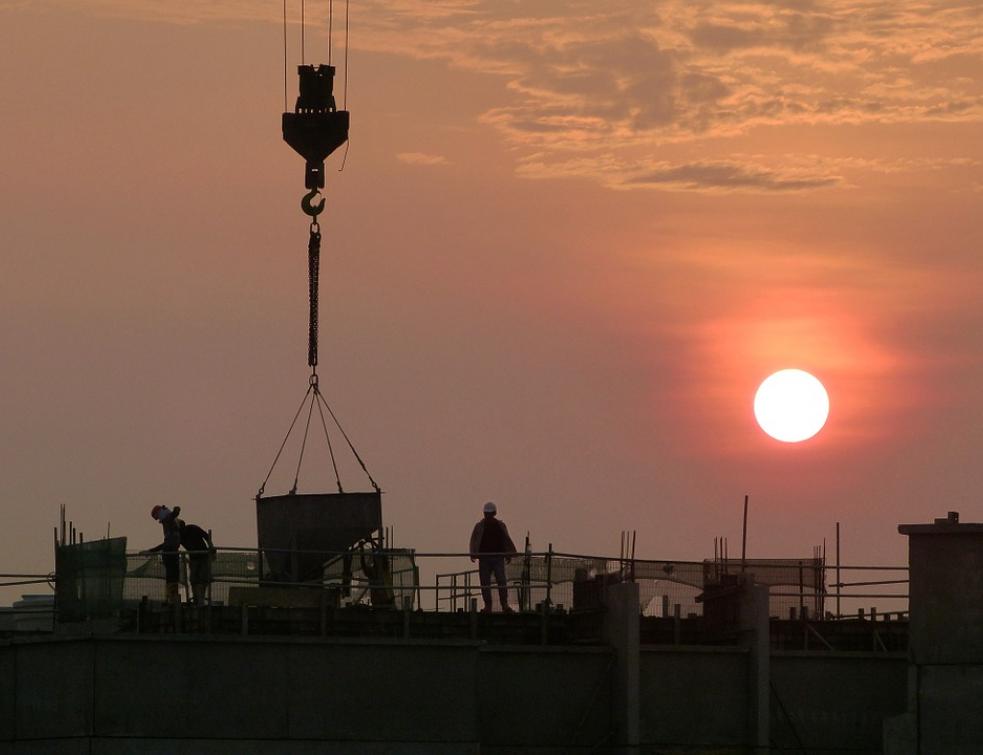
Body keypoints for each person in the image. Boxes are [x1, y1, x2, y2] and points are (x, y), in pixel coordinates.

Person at [469, 501, 517, 613]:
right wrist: (473, 553)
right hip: (484, 558)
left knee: (501, 581)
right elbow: (474, 540)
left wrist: (508, 554)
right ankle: (488, 606)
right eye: (487, 514)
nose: (488, 516)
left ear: (494, 514)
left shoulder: (500, 525)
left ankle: (504, 604)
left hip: (498, 557)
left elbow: (505, 540)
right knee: (485, 582)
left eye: (489, 514)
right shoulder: (479, 526)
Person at [146, 504, 181, 606]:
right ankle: (171, 598)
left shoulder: (168, 521)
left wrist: (176, 511)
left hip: (170, 553)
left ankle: (171, 598)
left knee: (171, 576)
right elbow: (167, 543)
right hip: (170, 553)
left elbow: (173, 514)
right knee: (173, 576)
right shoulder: (170, 523)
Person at [178, 519, 216, 606]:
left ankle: (200, 599)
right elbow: (172, 544)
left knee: (203, 579)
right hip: (194, 558)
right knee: (193, 580)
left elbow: (206, 536)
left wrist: (211, 548)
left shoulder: (193, 528)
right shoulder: (179, 535)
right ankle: (196, 599)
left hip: (203, 556)